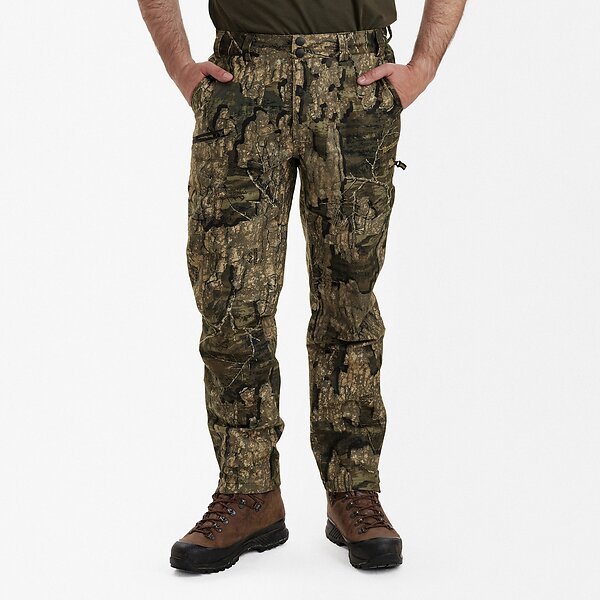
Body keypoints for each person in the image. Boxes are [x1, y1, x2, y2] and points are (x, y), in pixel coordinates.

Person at [138, 0, 466, 573]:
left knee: (349, 301)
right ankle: (249, 492)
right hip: (243, 78)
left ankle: (353, 490)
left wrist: (424, 66)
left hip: (355, 80)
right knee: (231, 303)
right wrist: (180, 66)